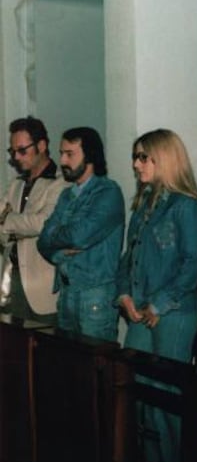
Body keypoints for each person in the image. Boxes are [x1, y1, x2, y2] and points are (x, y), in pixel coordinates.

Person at [117, 128, 197, 462]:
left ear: (163, 159)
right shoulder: (141, 203)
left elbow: (191, 264)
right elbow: (128, 258)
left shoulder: (185, 206)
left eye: (143, 157)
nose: (136, 164)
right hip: (140, 308)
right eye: (135, 157)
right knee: (139, 386)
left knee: (169, 396)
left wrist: (159, 304)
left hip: (175, 311)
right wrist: (124, 296)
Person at [37, 127, 125, 341]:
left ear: (90, 156)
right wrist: (58, 253)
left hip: (95, 296)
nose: (63, 161)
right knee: (71, 365)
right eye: (61, 153)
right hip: (66, 293)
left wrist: (55, 235)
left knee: (96, 367)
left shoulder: (108, 192)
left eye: (70, 154)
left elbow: (79, 236)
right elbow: (42, 241)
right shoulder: (67, 195)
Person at [0, 116, 68, 323]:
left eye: (22, 150)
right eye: (13, 152)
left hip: (43, 290)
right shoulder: (16, 185)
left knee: (47, 352)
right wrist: (20, 228)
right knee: (15, 352)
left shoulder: (60, 183)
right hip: (13, 286)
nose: (17, 157)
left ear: (41, 145)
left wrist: (7, 220)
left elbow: (43, 223)